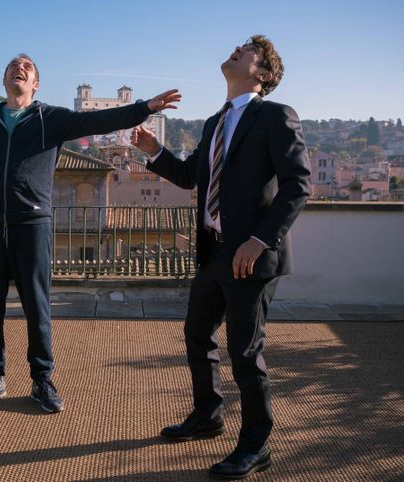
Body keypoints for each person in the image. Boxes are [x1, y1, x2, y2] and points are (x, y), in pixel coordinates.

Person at [0, 53, 180, 414]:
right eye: (14, 66)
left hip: (31, 226)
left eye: (28, 67)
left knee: (37, 307)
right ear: (4, 80)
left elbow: (99, 119)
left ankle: (42, 379)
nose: (20, 69)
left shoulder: (51, 119)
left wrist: (144, 108)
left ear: (36, 84)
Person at [131, 35, 310, 479]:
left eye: (249, 50)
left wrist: (259, 240)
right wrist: (154, 153)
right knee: (197, 336)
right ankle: (208, 415)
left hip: (251, 255)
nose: (237, 49)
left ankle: (256, 444)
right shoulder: (214, 123)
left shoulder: (275, 116)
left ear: (263, 75)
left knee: (244, 351)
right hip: (213, 252)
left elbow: (298, 185)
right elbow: (193, 178)